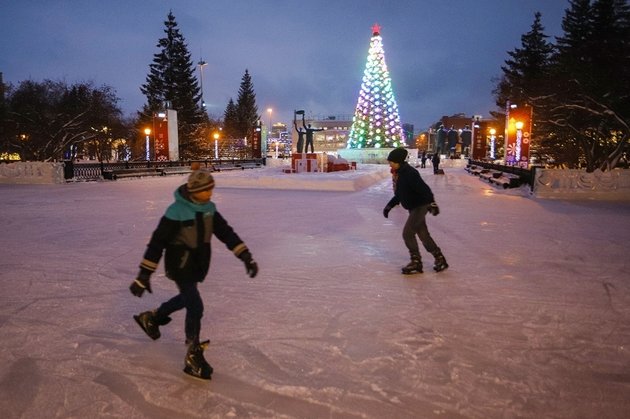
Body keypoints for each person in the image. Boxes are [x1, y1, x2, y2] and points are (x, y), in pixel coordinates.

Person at [129, 169, 259, 380]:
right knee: (195, 305)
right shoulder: (176, 212)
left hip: (198, 265)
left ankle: (152, 317)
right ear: (195, 191)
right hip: (180, 265)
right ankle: (192, 352)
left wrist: (245, 256)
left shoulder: (209, 209)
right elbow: (157, 243)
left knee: (187, 299)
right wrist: (144, 275)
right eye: (206, 190)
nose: (210, 193)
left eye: (211, 189)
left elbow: (226, 233)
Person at [383, 148, 448, 274]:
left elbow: (425, 189)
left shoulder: (410, 173)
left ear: (399, 161)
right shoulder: (400, 173)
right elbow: (400, 194)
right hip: (413, 208)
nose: (389, 164)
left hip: (420, 206)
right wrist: (389, 206)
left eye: (391, 161)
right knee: (423, 235)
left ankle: (416, 262)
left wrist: (432, 203)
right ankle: (440, 259)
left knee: (407, 233)